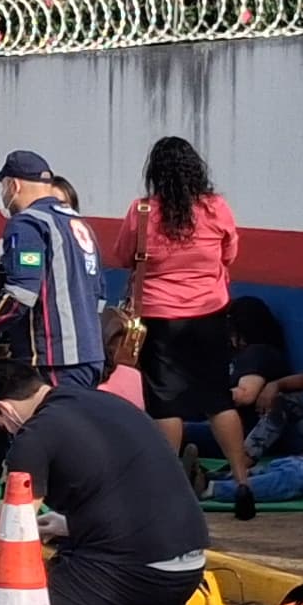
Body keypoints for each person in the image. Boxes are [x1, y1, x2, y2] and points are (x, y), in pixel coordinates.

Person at [0, 358, 280, 605]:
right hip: (187, 564)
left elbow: (0, 543)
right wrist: (68, 524)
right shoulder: (103, 402)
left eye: (2, 426)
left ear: (5, 410)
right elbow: (129, 486)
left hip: (133, 571)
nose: (9, 433)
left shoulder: (34, 436)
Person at [116, 137, 246, 508]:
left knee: (165, 403)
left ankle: (164, 486)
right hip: (210, 313)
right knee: (218, 399)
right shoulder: (216, 208)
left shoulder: (142, 211)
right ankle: (241, 480)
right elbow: (230, 252)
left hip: (160, 317)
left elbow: (124, 255)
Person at [0, 149, 104, 391]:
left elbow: (21, 292)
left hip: (53, 358)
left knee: (48, 425)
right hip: (90, 352)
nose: (2, 195)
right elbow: (99, 291)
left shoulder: (27, 224)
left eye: (2, 187)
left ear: (13, 185)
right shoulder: (76, 222)